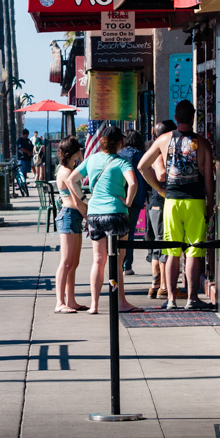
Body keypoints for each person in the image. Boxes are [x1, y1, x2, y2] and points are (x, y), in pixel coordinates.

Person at [138, 100, 215, 311]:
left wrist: (160, 188)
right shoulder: (202, 143)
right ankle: (192, 298)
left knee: (172, 250)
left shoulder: (163, 140)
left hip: (171, 201)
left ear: (176, 116)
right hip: (195, 201)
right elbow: (209, 179)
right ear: (192, 117)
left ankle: (171, 299)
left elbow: (142, 166)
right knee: (193, 250)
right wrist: (211, 204)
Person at [69, 124, 141, 314]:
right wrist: (128, 201)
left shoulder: (91, 160)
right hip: (117, 213)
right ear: (119, 143)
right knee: (117, 261)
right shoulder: (122, 162)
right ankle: (121, 302)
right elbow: (133, 183)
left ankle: (94, 304)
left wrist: (84, 199)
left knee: (98, 260)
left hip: (94, 214)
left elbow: (71, 180)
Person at [52, 136, 88, 313]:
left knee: (73, 262)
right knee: (66, 262)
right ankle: (60, 302)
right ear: (75, 152)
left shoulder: (69, 170)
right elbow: (76, 198)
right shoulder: (66, 173)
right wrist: (88, 215)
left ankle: (71, 300)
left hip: (74, 216)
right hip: (69, 215)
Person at [144, 120, 177, 299]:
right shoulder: (159, 150)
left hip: (156, 200)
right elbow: (161, 173)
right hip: (161, 200)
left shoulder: (155, 147)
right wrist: (161, 187)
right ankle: (163, 286)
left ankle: (155, 285)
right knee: (164, 243)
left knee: (158, 244)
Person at [117, 130, 150, 275]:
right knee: (129, 233)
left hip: (119, 197)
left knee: (117, 233)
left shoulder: (118, 155)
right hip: (136, 199)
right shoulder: (142, 156)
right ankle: (127, 265)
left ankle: (116, 263)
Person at [16, 129, 34, 195]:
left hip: (28, 159)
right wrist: (28, 152)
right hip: (22, 159)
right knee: (21, 171)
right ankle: (20, 184)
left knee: (25, 172)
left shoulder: (28, 141)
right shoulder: (20, 140)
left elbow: (32, 147)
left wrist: (31, 152)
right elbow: (20, 148)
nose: (27, 136)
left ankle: (24, 183)